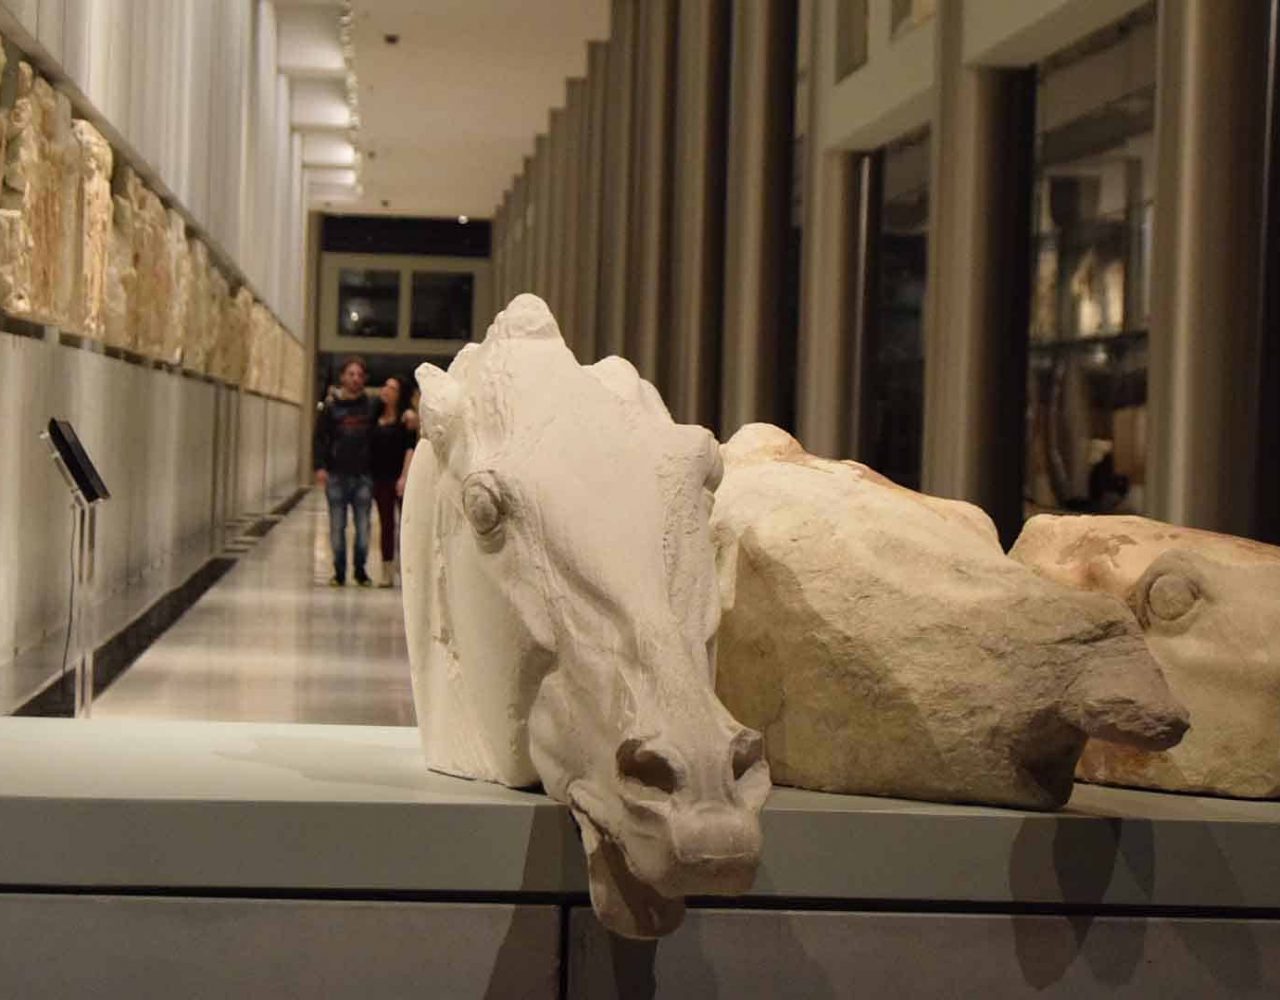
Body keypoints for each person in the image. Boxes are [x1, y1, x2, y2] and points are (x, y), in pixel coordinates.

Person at [314, 356, 377, 587]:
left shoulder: (371, 406)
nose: (355, 379)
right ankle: (339, 572)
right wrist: (320, 466)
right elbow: (320, 439)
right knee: (336, 528)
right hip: (337, 476)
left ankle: (360, 571)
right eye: (351, 374)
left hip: (363, 477)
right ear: (343, 377)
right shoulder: (331, 408)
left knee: (363, 529)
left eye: (360, 375)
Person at [370, 374, 416, 587]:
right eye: (385, 386)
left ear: (400, 395)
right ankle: (386, 570)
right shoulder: (375, 415)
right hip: (380, 478)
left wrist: (405, 476)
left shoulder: (406, 418)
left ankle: (407, 570)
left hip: (399, 477)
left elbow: (409, 448)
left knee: (405, 527)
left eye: (392, 388)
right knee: (386, 525)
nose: (386, 391)